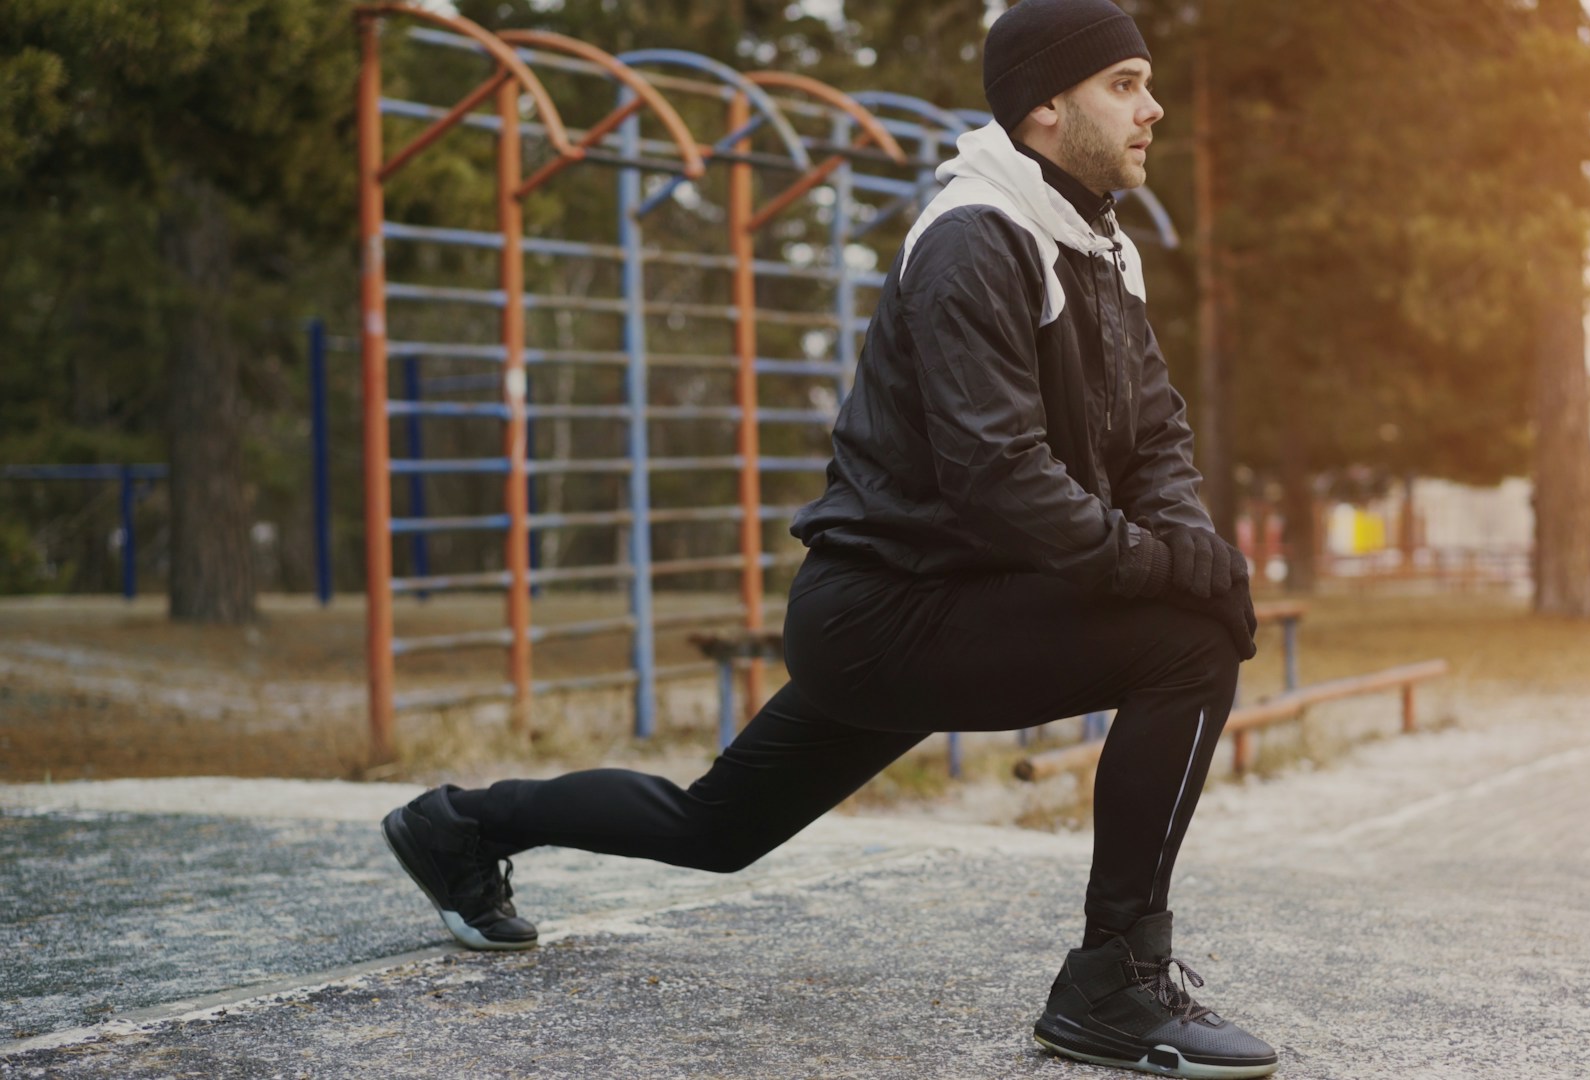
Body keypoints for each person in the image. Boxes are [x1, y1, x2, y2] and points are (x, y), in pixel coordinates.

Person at [379, 1, 1279, 1075]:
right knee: (1188, 643)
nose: (1152, 108)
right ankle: (1114, 983)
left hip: (946, 605)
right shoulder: (974, 240)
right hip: (888, 614)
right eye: (1124, 85)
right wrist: (1169, 566)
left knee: (713, 829)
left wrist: (1188, 540)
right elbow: (998, 475)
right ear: (1046, 106)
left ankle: (457, 828)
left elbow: (1154, 434)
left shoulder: (1094, 244)